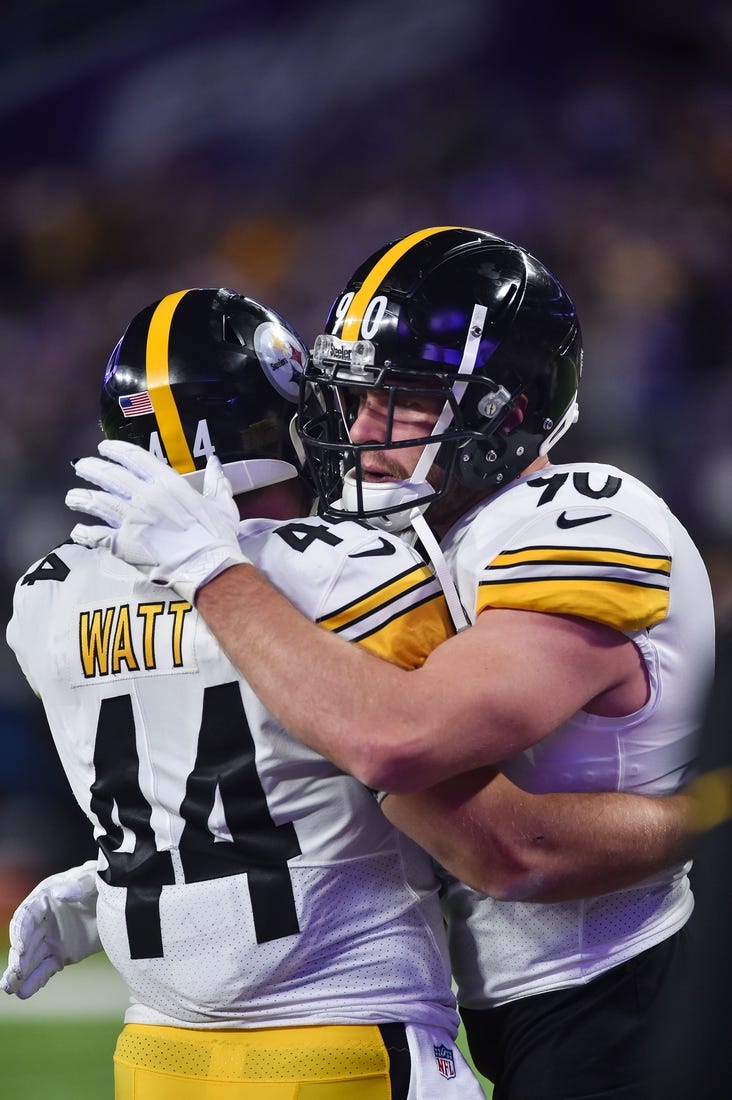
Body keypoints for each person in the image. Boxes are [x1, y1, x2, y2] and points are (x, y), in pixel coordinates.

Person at [61, 227, 715, 1100]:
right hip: (533, 1003)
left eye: (401, 401)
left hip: (627, 990)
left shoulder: (578, 517)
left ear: (505, 410)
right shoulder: (424, 537)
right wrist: (153, 866)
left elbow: (417, 766)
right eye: (354, 396)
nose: (364, 429)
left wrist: (209, 570)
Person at [3, 285, 489, 1100]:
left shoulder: (46, 596)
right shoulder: (352, 569)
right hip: (346, 1038)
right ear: (274, 426)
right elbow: (453, 784)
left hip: (159, 1060)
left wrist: (121, 882)